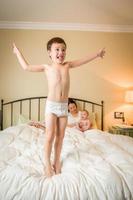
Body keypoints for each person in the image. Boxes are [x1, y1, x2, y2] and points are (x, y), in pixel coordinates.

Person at [13, 37, 105, 177]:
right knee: (50, 135)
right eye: (57, 50)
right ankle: (47, 164)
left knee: (60, 137)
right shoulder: (47, 67)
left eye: (63, 50)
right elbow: (26, 67)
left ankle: (56, 161)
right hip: (51, 106)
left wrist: (97, 54)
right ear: (49, 53)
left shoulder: (67, 65)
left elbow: (82, 60)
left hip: (63, 107)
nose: (60, 52)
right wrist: (17, 52)